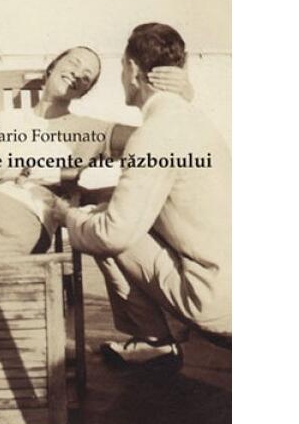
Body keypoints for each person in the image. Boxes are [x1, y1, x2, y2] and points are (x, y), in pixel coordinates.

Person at [52, 24, 231, 370]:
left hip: (215, 306)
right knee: (110, 211)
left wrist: (66, 216)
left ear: (133, 70)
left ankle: (154, 340)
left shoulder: (153, 134)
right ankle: (157, 339)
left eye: (122, 67)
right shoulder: (194, 119)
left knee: (98, 223)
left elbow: (112, 235)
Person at [0, 45, 192, 258]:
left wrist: (181, 98)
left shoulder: (89, 129)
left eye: (87, 76)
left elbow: (156, 137)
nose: (78, 73)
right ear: (52, 68)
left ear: (84, 92)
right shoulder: (8, 119)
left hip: (25, 215)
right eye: (74, 63)